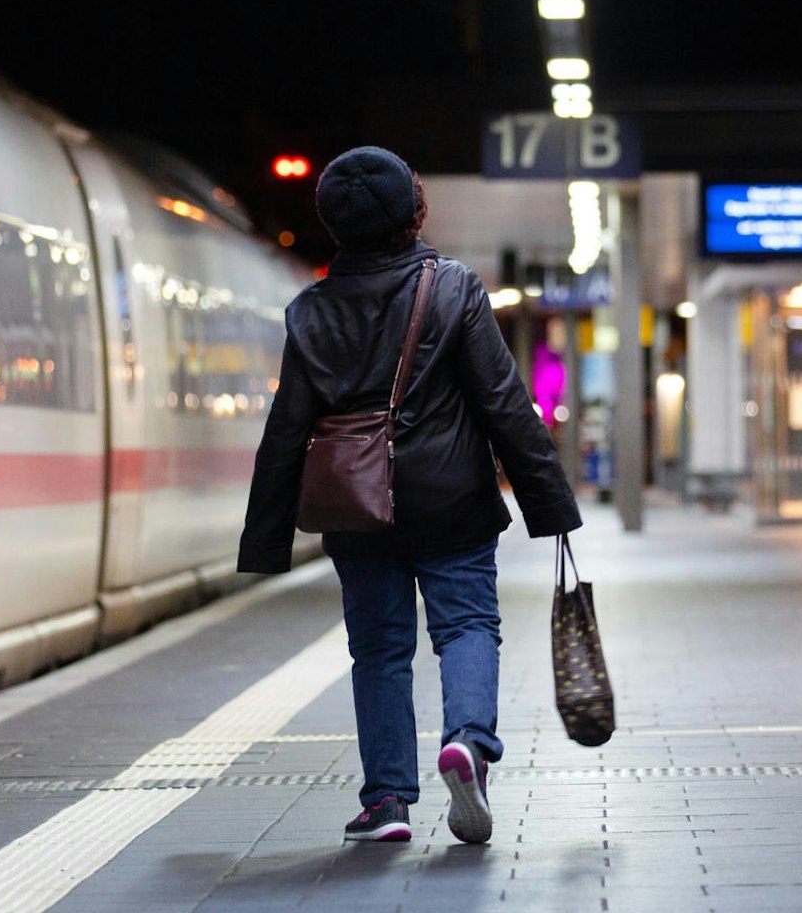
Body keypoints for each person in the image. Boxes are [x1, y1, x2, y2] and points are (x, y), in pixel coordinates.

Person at [238, 146, 581, 845]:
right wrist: (550, 505)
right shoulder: (454, 288)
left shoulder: (310, 312)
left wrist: (267, 540)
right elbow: (504, 403)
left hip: (356, 508)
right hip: (452, 499)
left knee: (379, 650)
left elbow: (287, 431)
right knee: (465, 626)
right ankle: (469, 747)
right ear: (414, 211)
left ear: (335, 225)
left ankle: (387, 800)